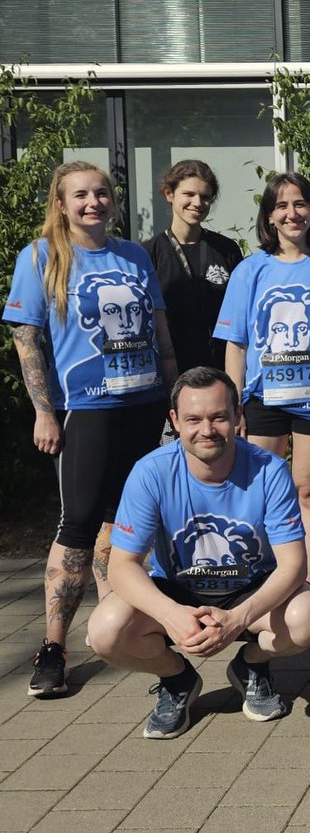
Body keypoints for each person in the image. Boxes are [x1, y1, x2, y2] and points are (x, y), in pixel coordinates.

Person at [4, 161, 176, 698]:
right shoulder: (39, 256)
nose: (92, 203)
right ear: (61, 202)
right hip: (86, 408)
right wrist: (45, 411)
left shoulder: (134, 255)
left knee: (121, 523)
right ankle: (54, 647)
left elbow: (161, 332)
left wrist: (175, 400)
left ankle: (117, 628)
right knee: (77, 525)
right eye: (80, 195)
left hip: (145, 404)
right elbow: (27, 339)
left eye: (101, 193)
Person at [86, 367, 310, 737]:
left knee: (307, 616)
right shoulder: (150, 473)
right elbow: (121, 567)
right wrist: (172, 614)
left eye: (218, 417)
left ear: (238, 417)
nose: (207, 430)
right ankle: (176, 678)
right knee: (105, 630)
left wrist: (238, 619)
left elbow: (294, 564)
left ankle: (251, 665)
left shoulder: (270, 470)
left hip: (250, 589)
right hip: (178, 592)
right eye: (193, 419)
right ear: (175, 422)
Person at [215, 172, 310, 586]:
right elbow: (237, 346)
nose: (291, 213)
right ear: (269, 216)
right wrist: (234, 404)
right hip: (262, 401)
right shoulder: (250, 271)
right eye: (281, 205)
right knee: (258, 491)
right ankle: (261, 578)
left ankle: (307, 586)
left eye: (299, 204)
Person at [144, 160, 243, 375]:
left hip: (221, 368)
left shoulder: (226, 249)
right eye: (188, 194)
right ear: (169, 194)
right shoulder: (148, 253)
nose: (197, 203)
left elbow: (241, 313)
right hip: (171, 371)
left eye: (205, 197)